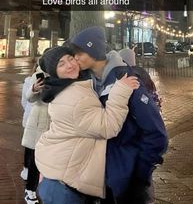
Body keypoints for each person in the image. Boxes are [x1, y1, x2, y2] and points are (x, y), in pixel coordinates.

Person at [71, 26, 168, 204]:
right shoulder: (86, 81)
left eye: (80, 53)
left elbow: (157, 134)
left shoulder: (128, 81)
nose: (75, 58)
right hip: (98, 177)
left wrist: (139, 174)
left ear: (94, 50)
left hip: (125, 179)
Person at [35, 46, 140, 204]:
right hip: (63, 188)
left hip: (58, 174)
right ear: (54, 72)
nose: (69, 65)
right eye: (61, 64)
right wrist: (121, 90)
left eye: (70, 59)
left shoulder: (69, 86)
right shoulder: (73, 97)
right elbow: (108, 126)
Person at [21, 60, 48, 204]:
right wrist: (34, 88)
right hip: (39, 121)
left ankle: (46, 188)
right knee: (35, 159)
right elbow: (29, 98)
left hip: (55, 122)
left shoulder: (62, 75)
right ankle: (30, 190)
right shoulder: (39, 74)